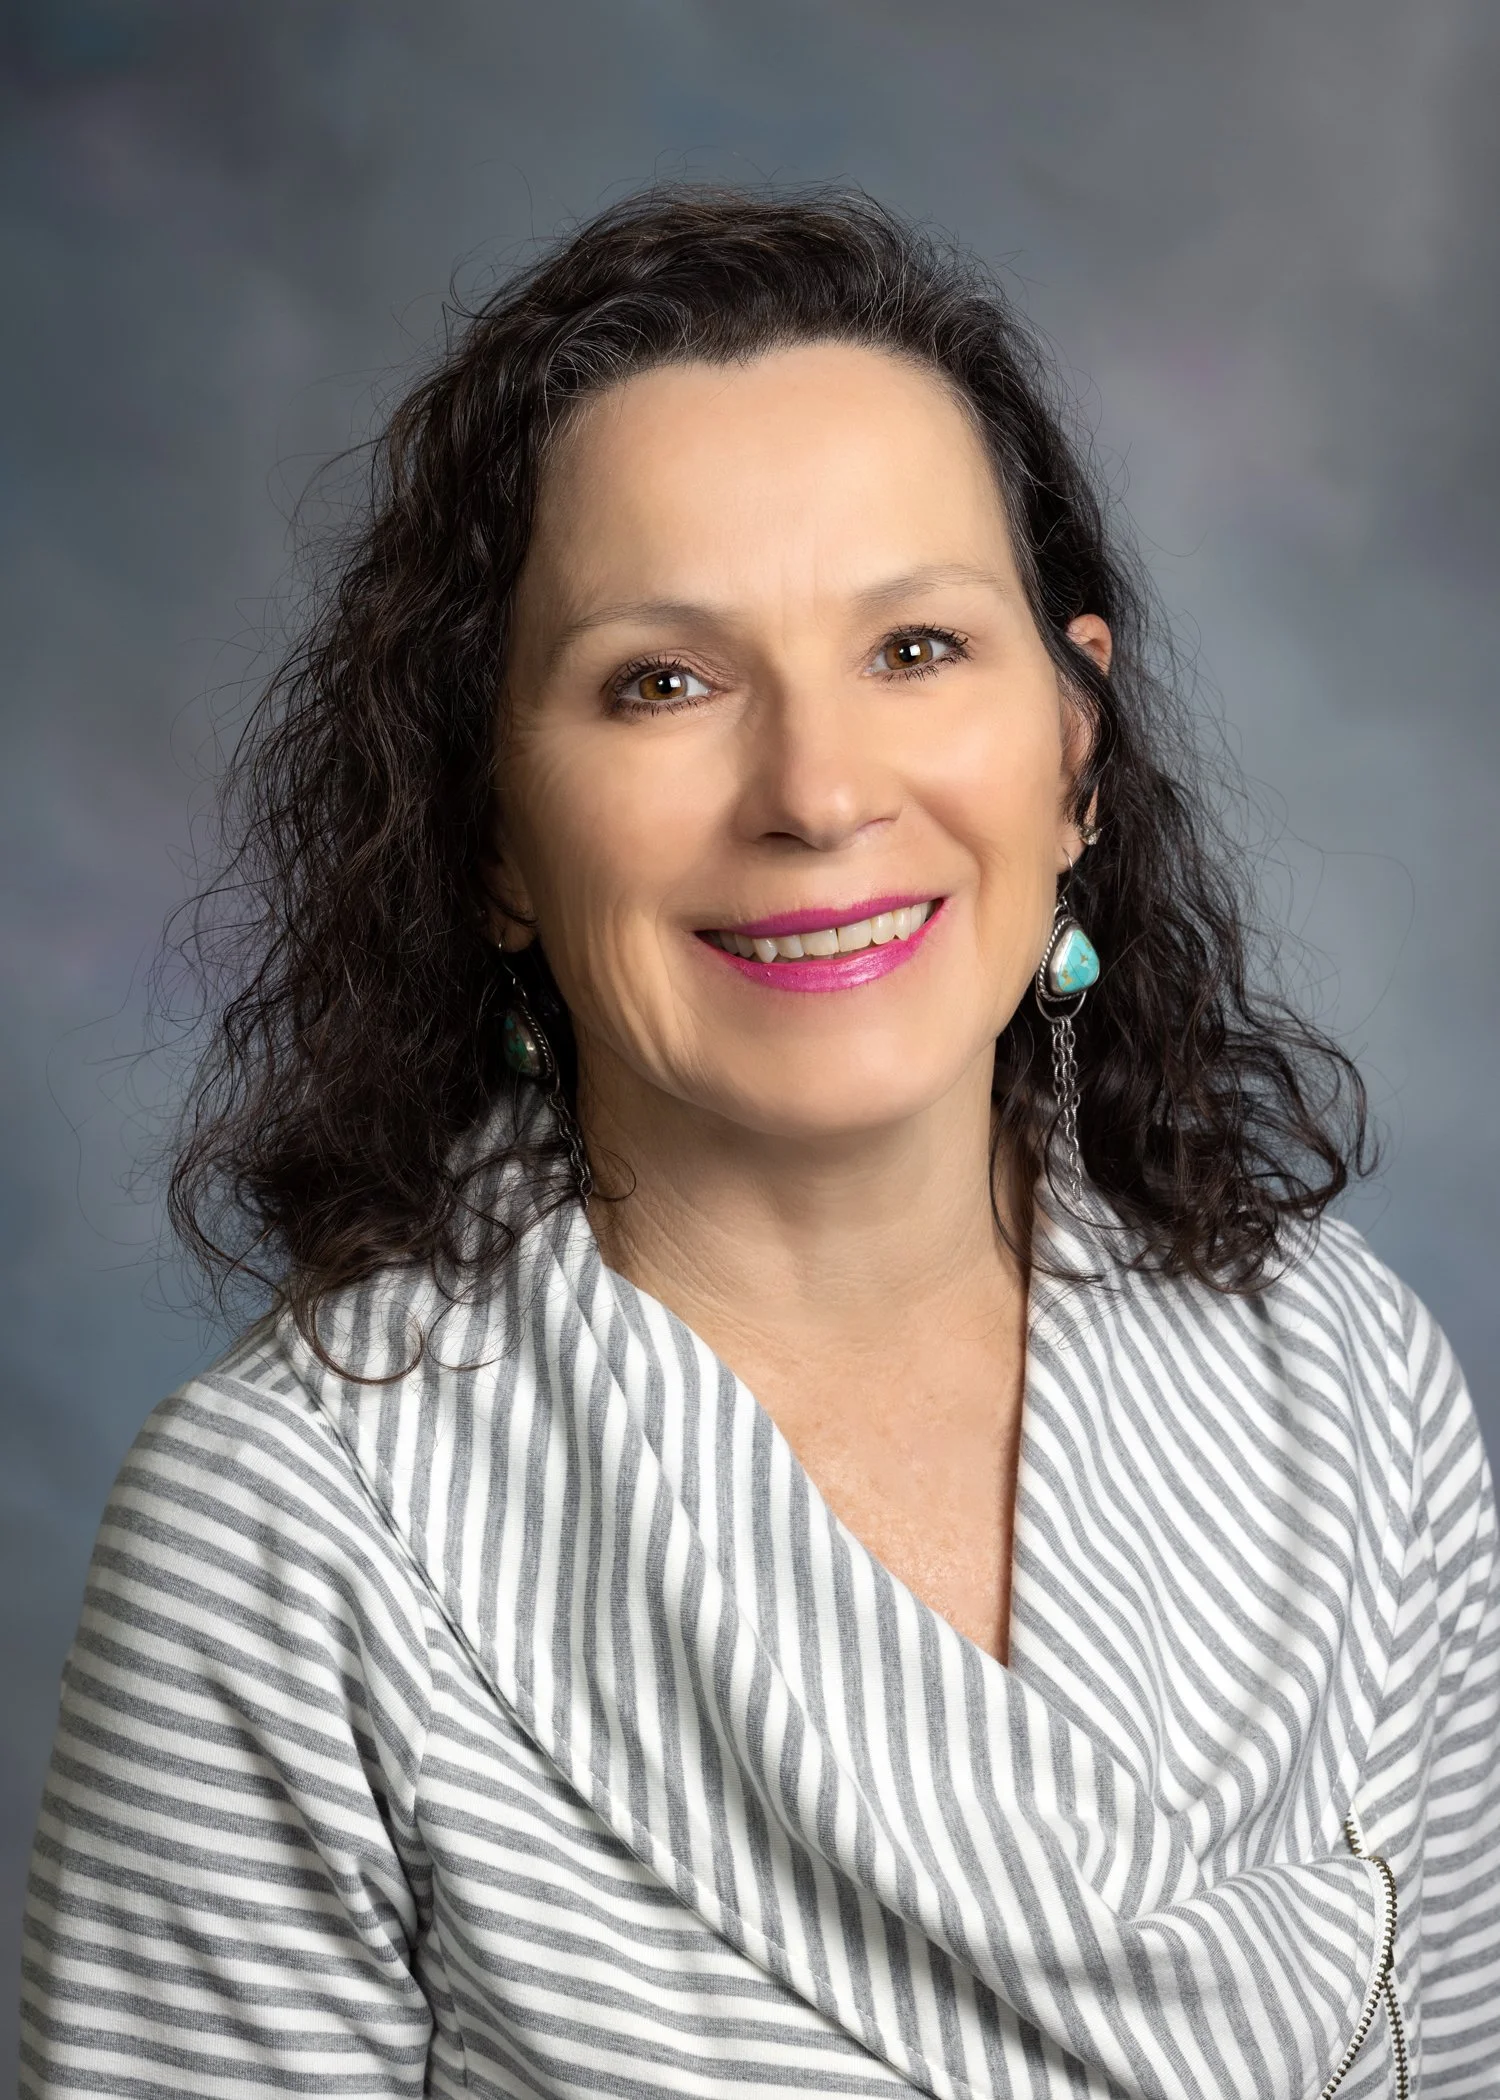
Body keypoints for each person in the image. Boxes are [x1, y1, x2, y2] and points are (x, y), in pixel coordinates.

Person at [20, 188, 1497, 2100]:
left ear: (1071, 753)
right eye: (666, 682)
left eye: (916, 649)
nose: (814, 791)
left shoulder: (1348, 1376)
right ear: (486, 838)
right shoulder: (287, 1545)